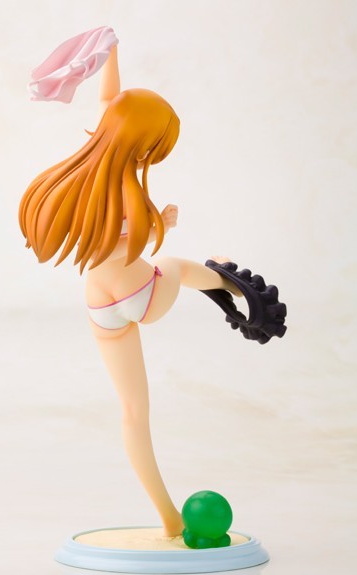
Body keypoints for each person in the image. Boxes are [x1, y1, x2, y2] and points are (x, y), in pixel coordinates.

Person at [20, 40, 242, 537]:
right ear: (142, 144)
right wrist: (161, 222)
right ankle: (234, 288)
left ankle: (169, 518)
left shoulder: (91, 166)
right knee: (174, 265)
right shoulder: (125, 183)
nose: (150, 157)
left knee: (133, 413)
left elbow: (109, 99)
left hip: (99, 306)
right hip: (138, 295)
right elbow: (128, 243)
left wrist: (110, 48)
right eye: (153, 148)